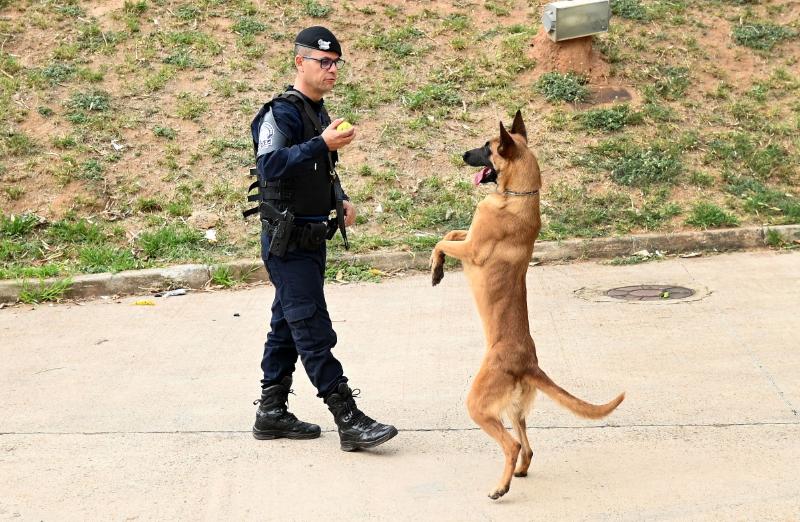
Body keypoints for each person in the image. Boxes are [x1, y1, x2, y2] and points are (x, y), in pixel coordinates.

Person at [247, 26, 397, 451]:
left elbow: (319, 170)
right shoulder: (280, 113)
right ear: (300, 62)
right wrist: (320, 143)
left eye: (336, 63)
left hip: (312, 237)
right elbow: (270, 166)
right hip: (287, 242)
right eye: (323, 62)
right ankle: (347, 416)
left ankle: (271, 412)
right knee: (312, 328)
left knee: (286, 326)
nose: (332, 69)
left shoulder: (319, 112)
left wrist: (340, 198)